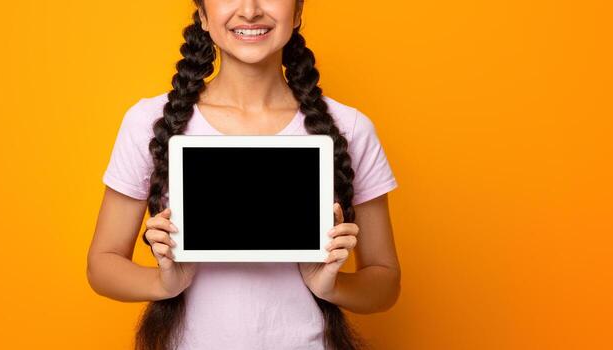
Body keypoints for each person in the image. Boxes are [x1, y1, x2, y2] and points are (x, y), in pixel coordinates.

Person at [87, 1, 401, 349]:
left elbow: (385, 284)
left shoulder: (350, 128)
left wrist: (329, 284)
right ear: (203, 15)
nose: (250, 10)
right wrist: (166, 284)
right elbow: (102, 265)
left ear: (297, 12)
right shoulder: (148, 121)